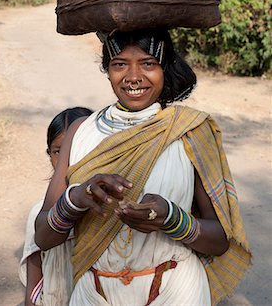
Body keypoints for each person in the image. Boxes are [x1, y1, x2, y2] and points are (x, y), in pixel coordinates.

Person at [35, 28, 251, 306]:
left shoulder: (188, 130)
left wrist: (172, 219)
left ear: (165, 68)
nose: (133, 77)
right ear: (107, 69)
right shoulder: (81, 132)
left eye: (148, 63)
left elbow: (220, 241)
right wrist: (75, 199)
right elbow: (43, 236)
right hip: (95, 292)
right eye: (119, 64)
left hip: (176, 291)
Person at [19, 107, 93, 306]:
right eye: (58, 151)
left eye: (78, 148)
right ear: (49, 154)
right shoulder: (40, 214)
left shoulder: (106, 209)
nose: (67, 161)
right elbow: (34, 286)